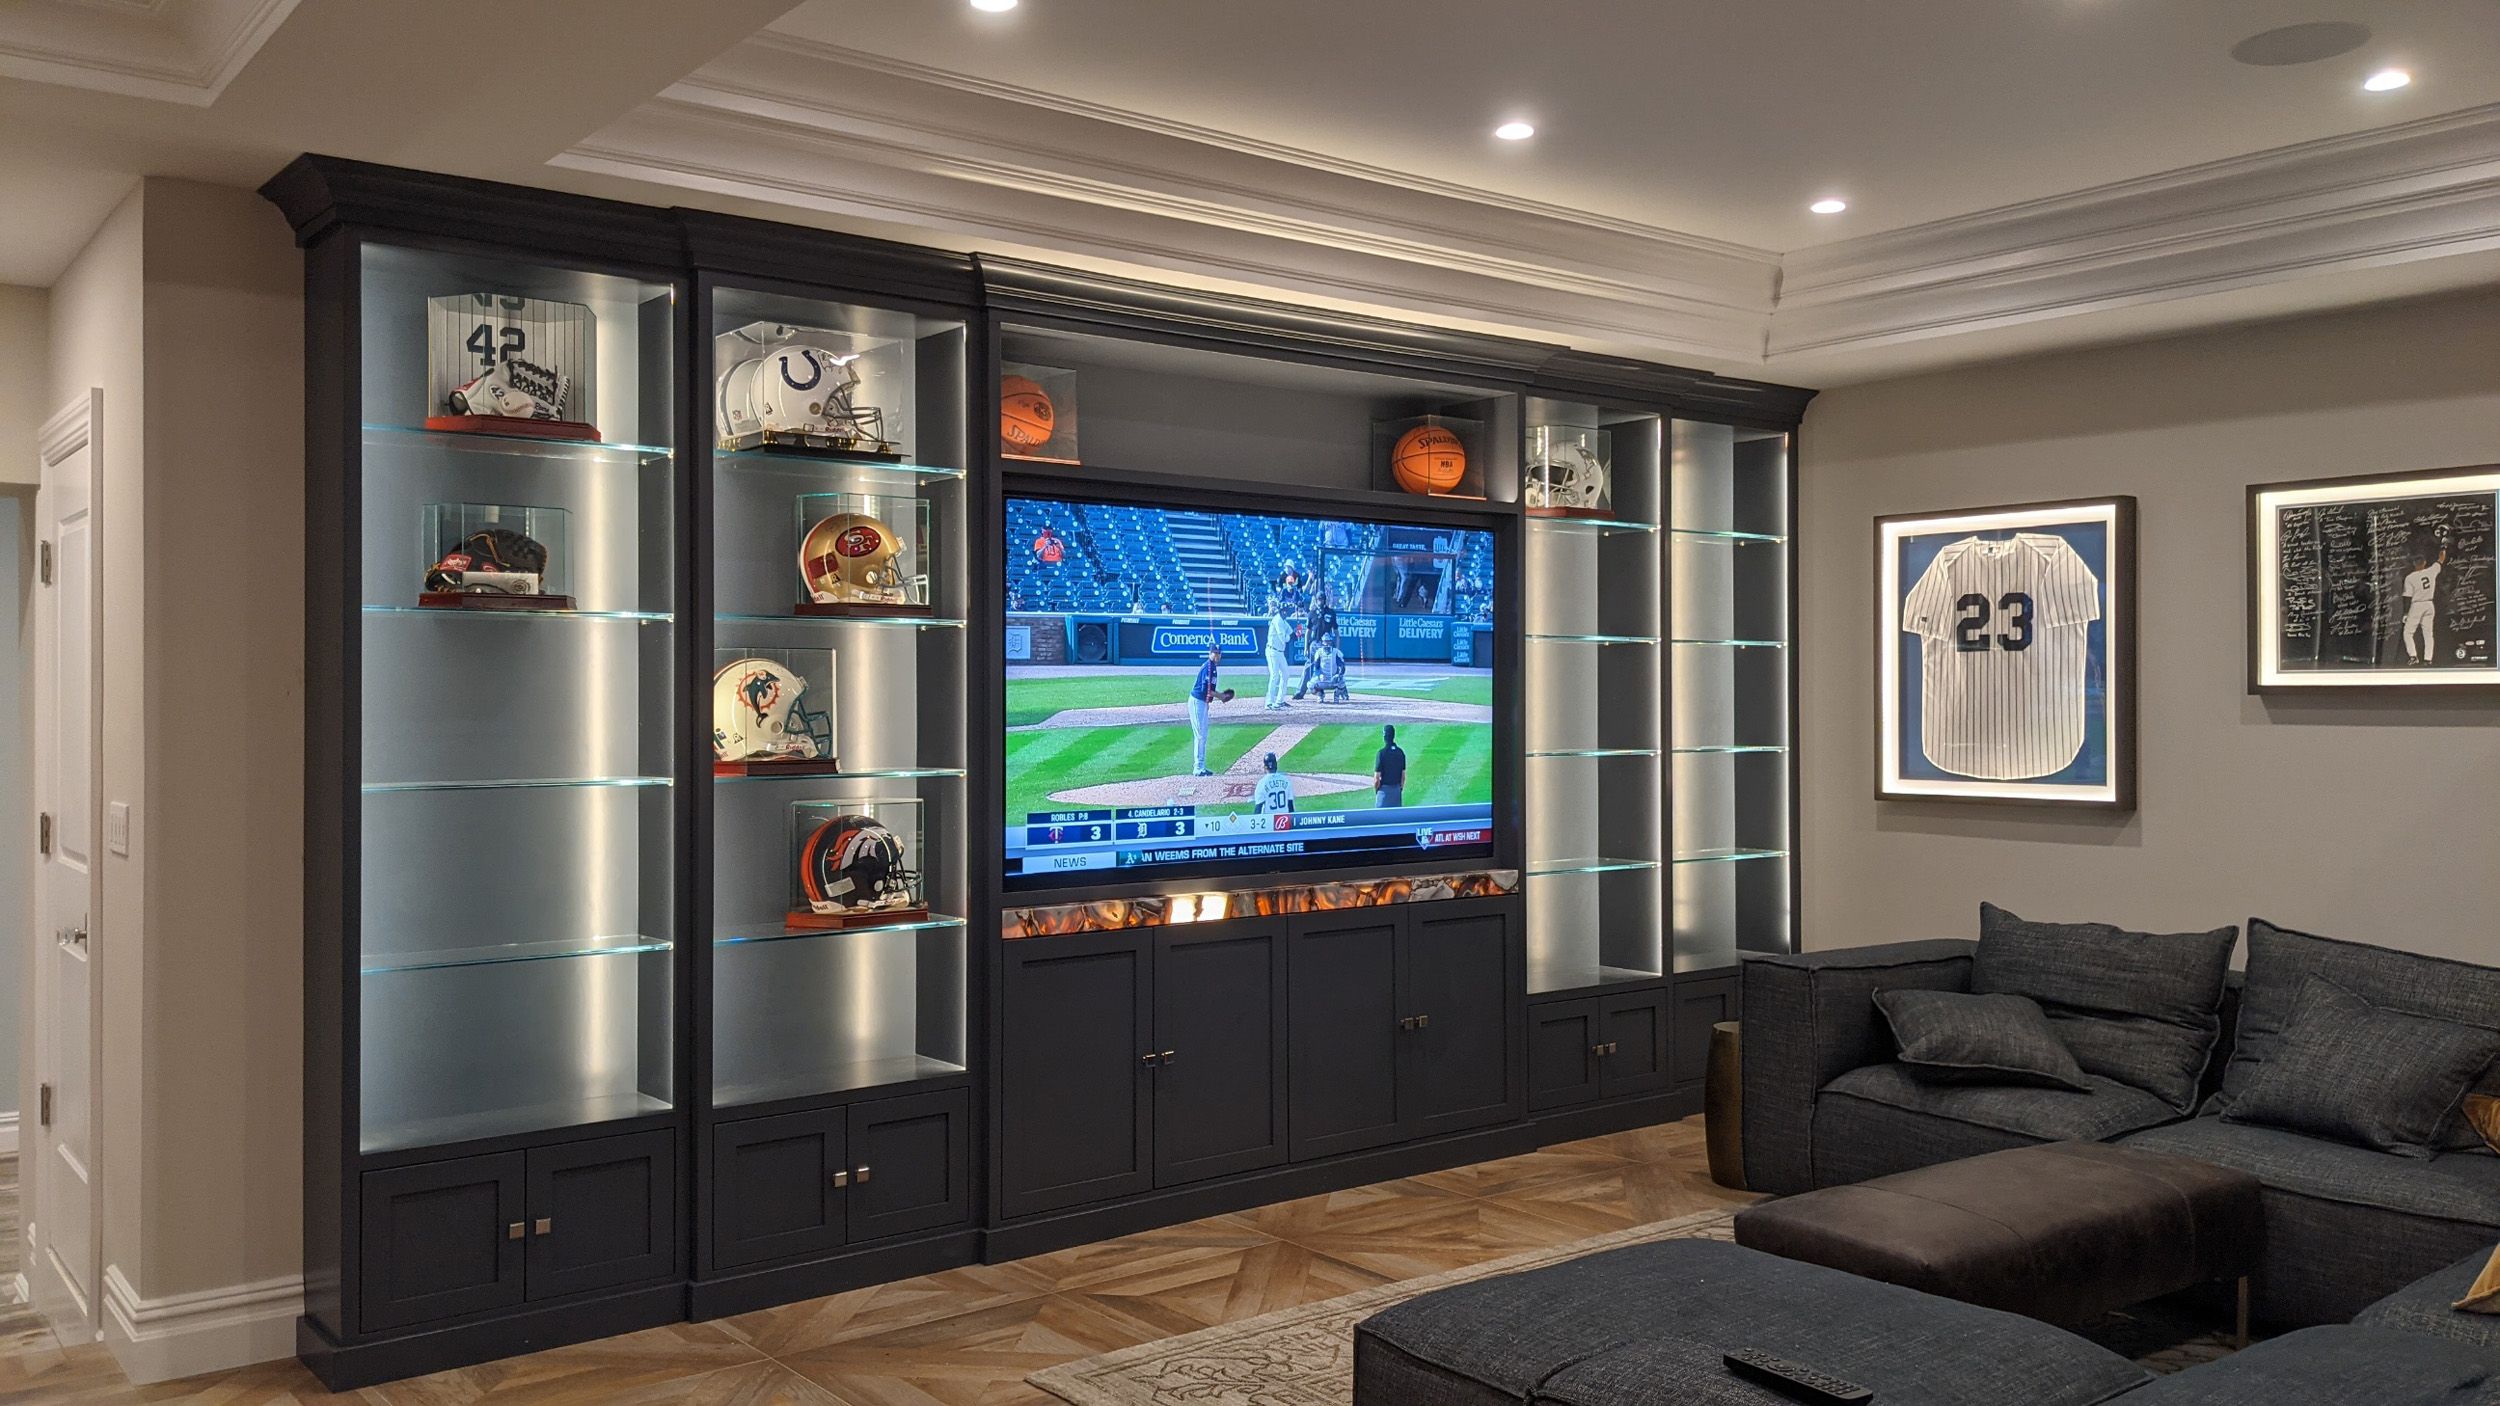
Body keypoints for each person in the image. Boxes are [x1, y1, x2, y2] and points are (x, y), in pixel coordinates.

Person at [1292, 587, 1340, 699]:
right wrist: (1306, 647)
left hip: (1327, 645)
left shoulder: (1331, 613)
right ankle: (1300, 692)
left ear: (1325, 600)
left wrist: (1337, 648)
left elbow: (1336, 632)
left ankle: (1339, 690)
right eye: (1319, 599)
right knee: (1309, 667)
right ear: (1316, 600)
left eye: (1322, 599)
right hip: (1315, 643)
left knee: (1331, 667)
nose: (1320, 601)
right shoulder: (1312, 613)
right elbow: (1308, 632)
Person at [2403, 543, 2447, 664]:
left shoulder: (2410, 577)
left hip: (2417, 605)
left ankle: (2413, 656)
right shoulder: (2431, 571)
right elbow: (2441, 559)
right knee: (2428, 633)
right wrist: (2443, 547)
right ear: (2425, 563)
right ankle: (2428, 659)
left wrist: (2406, 613)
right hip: (2429, 604)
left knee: (2408, 632)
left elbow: (2407, 597)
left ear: (2414, 564)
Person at [1187, 644, 1222, 776]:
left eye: (1218, 653)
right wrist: (1221, 696)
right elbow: (1205, 690)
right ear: (1210, 653)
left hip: (1202, 703)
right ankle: (1198, 767)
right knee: (1200, 735)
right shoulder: (1208, 667)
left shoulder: (1212, 667)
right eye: (1214, 653)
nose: (1216, 655)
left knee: (1203, 734)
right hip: (1197, 702)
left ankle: (1201, 766)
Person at [1262, 594, 1294, 710]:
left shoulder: (1283, 621)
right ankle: (1269, 702)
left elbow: (1291, 631)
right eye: (1284, 610)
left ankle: (1279, 700)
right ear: (1280, 611)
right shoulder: (1277, 620)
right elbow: (1284, 639)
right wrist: (1291, 636)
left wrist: (1296, 632)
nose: (1285, 612)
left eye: (1286, 611)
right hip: (1272, 651)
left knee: (1285, 674)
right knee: (1274, 676)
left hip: (1280, 652)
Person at [1373, 723, 1407, 809]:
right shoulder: (1400, 752)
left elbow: (1377, 779)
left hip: (1384, 793)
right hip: (1396, 792)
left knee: (1381, 816)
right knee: (1396, 816)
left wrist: (1377, 791)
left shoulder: (1381, 753)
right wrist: (1399, 789)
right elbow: (1403, 777)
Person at [1252, 752, 1295, 816]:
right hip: (1285, 820)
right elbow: (1290, 806)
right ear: (1276, 765)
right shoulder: (1286, 781)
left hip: (1269, 820)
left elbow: (1258, 808)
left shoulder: (1261, 784)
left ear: (1265, 767)